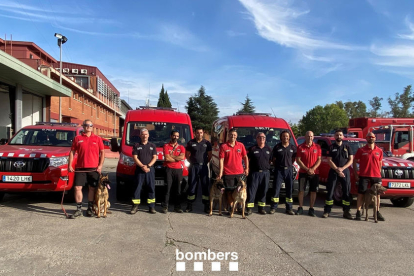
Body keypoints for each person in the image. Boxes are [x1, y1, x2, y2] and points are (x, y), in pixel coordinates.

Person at [68, 119, 105, 218]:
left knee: (92, 188)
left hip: (93, 168)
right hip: (80, 168)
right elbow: (72, 152)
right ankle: (79, 209)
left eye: (90, 125)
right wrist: (70, 165)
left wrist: (100, 166)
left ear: (92, 127)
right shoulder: (77, 138)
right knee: (77, 188)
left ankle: (89, 209)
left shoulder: (97, 138)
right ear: (83, 126)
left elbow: (102, 152)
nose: (88, 127)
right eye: (86, 125)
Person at [322, 130, 353, 219]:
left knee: (346, 192)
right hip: (333, 171)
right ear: (334, 137)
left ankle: (346, 211)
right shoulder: (331, 147)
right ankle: (327, 211)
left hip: (345, 171)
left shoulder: (347, 147)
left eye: (340, 135)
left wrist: (342, 169)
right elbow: (329, 160)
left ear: (343, 136)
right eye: (337, 135)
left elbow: (350, 160)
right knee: (330, 191)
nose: (339, 136)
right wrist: (337, 170)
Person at [353, 132, 384, 221]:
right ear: (366, 139)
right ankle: (358, 212)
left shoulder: (379, 151)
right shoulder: (361, 150)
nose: (371, 138)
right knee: (361, 194)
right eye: (369, 137)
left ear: (375, 138)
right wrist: (356, 173)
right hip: (364, 175)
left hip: (376, 176)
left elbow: (380, 163)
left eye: (372, 137)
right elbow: (355, 161)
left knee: (377, 195)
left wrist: (379, 174)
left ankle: (377, 212)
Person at [218, 129, 249, 210]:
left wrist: (246, 168)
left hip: (240, 173)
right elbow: (221, 159)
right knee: (229, 191)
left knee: (240, 190)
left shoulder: (241, 145)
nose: (233, 136)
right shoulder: (223, 146)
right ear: (228, 135)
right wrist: (221, 172)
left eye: (234, 135)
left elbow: (245, 157)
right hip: (228, 173)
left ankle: (240, 207)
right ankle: (231, 207)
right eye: (231, 134)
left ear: (236, 136)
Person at [185, 127, 212, 213]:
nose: (199, 134)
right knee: (192, 186)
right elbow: (187, 155)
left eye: (201, 132)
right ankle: (189, 205)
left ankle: (206, 206)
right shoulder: (190, 143)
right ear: (195, 133)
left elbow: (210, 155)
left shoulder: (207, 143)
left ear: (203, 133)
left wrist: (204, 163)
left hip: (203, 167)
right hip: (193, 167)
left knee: (205, 186)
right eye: (197, 132)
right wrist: (192, 162)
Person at [130, 128, 157, 214]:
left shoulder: (152, 146)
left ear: (148, 135)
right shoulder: (136, 145)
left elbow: (155, 157)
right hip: (140, 169)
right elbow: (135, 158)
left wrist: (148, 166)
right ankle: (135, 206)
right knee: (137, 187)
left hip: (150, 169)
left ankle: (151, 207)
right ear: (140, 135)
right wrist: (142, 166)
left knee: (151, 187)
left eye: (146, 134)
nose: (144, 136)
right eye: (143, 134)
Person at [270, 130, 297, 215]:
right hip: (279, 170)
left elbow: (293, 159)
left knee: (289, 189)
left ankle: (289, 208)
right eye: (283, 136)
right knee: (276, 189)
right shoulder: (277, 147)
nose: (285, 137)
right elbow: (273, 160)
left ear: (289, 137)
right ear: (281, 137)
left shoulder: (293, 148)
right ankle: (273, 207)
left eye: (287, 136)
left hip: (289, 170)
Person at [295, 131, 321, 216]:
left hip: (314, 173)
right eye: (308, 136)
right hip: (303, 172)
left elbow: (319, 159)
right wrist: (307, 169)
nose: (309, 138)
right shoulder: (300, 147)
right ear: (305, 137)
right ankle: (300, 207)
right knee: (301, 190)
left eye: (311, 136)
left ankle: (311, 208)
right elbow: (298, 160)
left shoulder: (317, 147)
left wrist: (313, 169)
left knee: (313, 191)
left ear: (313, 137)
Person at [246, 132, 272, 215]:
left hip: (265, 173)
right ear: (256, 139)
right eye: (259, 137)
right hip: (254, 173)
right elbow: (246, 160)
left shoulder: (268, 149)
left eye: (263, 137)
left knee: (263, 191)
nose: (261, 139)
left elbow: (271, 160)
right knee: (252, 191)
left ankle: (261, 208)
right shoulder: (252, 149)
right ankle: (249, 208)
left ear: (265, 139)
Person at [162, 130, 186, 213]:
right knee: (167, 188)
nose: (175, 137)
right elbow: (167, 158)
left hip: (178, 170)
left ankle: (177, 207)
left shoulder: (181, 147)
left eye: (177, 136)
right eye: (174, 135)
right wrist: (176, 157)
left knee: (178, 189)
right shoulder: (166, 146)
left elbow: (182, 157)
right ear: (171, 136)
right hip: (169, 169)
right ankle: (165, 207)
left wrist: (171, 156)